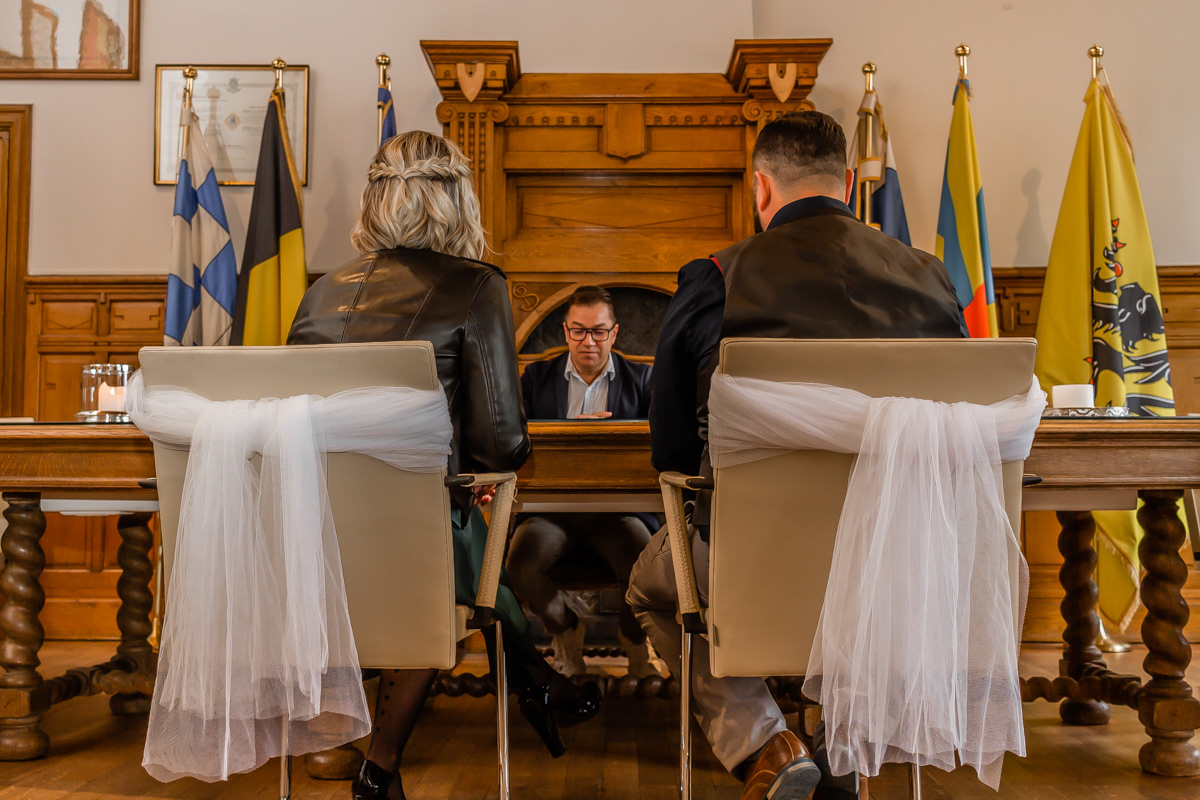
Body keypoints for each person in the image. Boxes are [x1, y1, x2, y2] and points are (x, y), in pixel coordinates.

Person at [627, 111, 968, 800]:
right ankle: (840, 747)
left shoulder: (717, 277)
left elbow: (671, 449)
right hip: (899, 564)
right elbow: (956, 430)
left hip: (757, 560)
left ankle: (764, 741)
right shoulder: (931, 278)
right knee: (850, 582)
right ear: (849, 185)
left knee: (649, 587)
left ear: (760, 187)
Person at [287, 130, 600, 800]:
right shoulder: (475, 285)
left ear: (375, 199)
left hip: (312, 542)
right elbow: (502, 446)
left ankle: (535, 682)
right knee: (454, 537)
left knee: (451, 532)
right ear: (457, 201)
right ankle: (518, 687)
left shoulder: (318, 294)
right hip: (412, 549)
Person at [507, 286, 659, 678]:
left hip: (618, 513)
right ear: (565, 330)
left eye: (598, 331)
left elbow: (658, 446)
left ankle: (634, 642)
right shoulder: (535, 377)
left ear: (614, 332)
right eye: (578, 331)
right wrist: (569, 431)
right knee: (521, 563)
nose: (588, 341)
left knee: (646, 563)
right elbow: (514, 440)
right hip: (552, 512)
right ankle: (566, 630)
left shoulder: (644, 379)